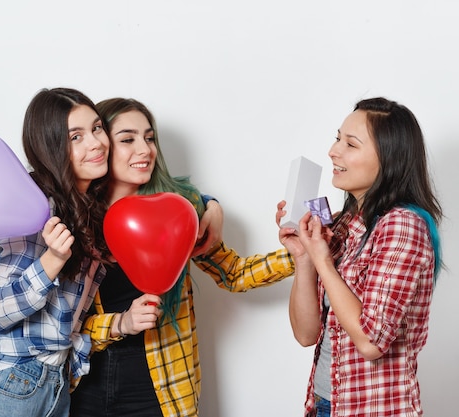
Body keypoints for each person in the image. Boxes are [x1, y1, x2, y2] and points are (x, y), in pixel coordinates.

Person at [69, 98, 297, 417]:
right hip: (85, 387)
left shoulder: (179, 209)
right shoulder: (77, 218)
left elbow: (235, 273)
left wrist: (300, 254)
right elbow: (63, 326)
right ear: (103, 145)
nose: (145, 149)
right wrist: (119, 324)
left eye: (149, 138)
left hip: (160, 387)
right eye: (127, 139)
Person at [0, 87, 113, 417]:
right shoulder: (32, 208)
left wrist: (209, 205)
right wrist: (52, 260)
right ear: (52, 148)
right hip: (10, 384)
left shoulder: (88, 209)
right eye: (75, 137)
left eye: (96, 128)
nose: (95, 143)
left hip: (53, 387)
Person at [278, 97, 443, 417]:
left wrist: (324, 261)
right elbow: (306, 334)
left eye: (350, 144)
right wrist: (305, 257)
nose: (333, 151)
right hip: (324, 404)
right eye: (337, 137)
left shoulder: (403, 225)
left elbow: (371, 342)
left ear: (388, 159)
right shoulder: (342, 222)